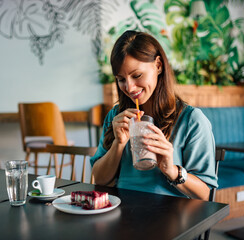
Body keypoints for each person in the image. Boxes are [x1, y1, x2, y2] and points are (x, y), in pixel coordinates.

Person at [90, 31, 218, 200]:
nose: (129, 87)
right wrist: (118, 144)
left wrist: (172, 170)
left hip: (171, 216)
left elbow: (205, 194)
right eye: (121, 79)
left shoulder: (192, 120)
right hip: (122, 211)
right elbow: (99, 179)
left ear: (158, 65)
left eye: (137, 75)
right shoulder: (116, 117)